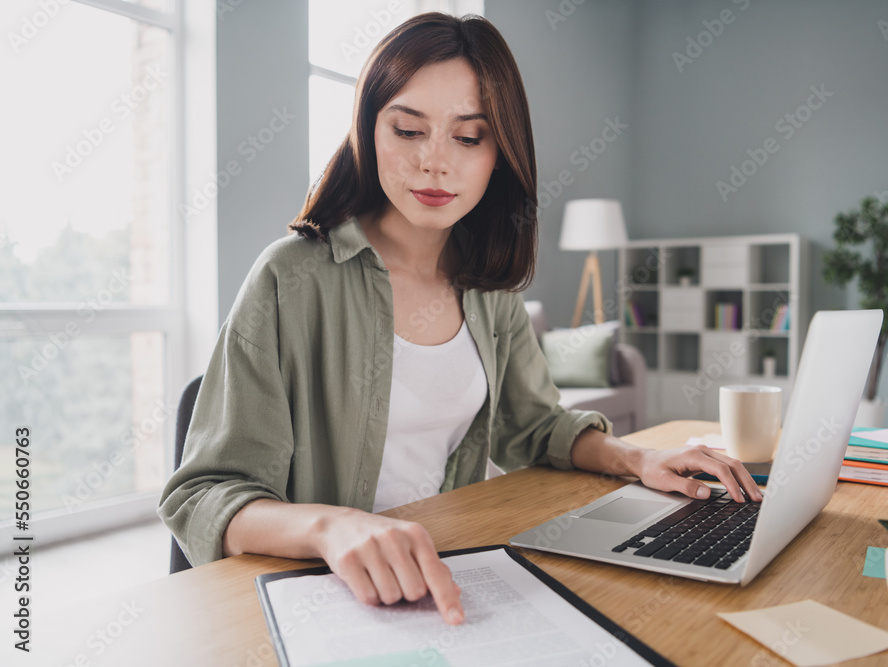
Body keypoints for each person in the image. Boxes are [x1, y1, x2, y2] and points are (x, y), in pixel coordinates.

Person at [158, 12, 761, 627]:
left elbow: (534, 426)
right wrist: (331, 527)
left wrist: (638, 459)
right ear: (368, 131)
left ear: (500, 152)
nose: (434, 164)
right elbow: (202, 496)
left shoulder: (485, 282)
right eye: (408, 130)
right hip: (326, 594)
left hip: (449, 571)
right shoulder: (290, 278)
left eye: (468, 137)